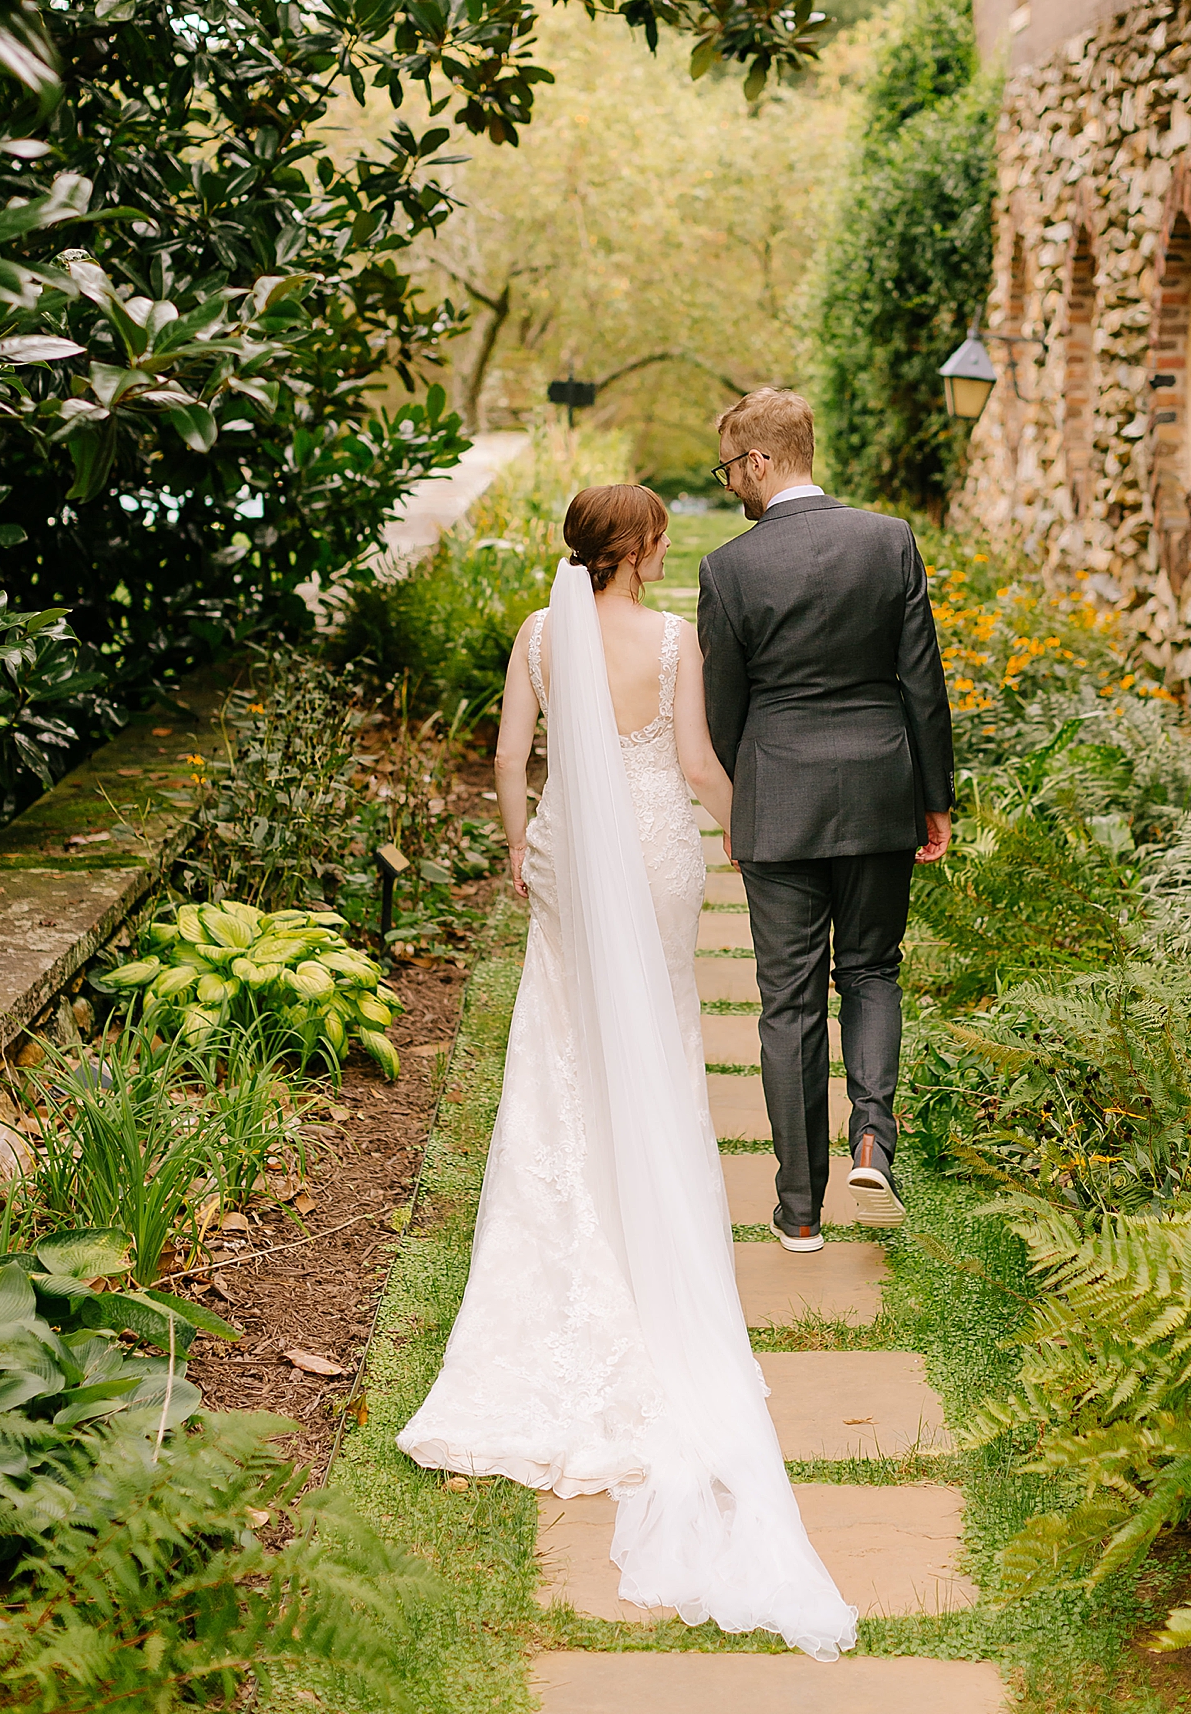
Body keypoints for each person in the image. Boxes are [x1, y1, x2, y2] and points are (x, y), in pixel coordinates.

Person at [397, 483, 856, 1661]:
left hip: (563, 853)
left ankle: (568, 1231)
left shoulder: (538, 633)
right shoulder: (670, 638)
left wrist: (521, 845)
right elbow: (699, 764)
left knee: (560, 1044)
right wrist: (762, 833)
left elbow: (512, 758)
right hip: (653, 852)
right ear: (646, 548)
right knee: (651, 1027)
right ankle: (649, 1218)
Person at [698, 389, 954, 1252]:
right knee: (873, 970)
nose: (732, 484)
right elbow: (923, 680)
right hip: (882, 788)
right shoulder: (888, 542)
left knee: (789, 1002)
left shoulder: (729, 570)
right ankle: (874, 1139)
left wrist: (744, 807)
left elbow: (722, 709)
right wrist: (935, 798)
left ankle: (799, 1210)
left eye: (731, 468)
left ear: (762, 462)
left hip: (779, 798)